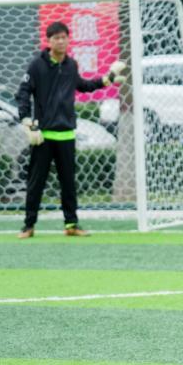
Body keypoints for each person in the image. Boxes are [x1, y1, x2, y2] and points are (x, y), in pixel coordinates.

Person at [16, 21, 126, 239]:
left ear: (68, 39)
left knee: (68, 184)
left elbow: (83, 86)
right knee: (36, 182)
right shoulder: (36, 65)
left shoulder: (71, 65)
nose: (60, 41)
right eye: (56, 38)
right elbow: (23, 92)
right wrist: (27, 120)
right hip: (43, 136)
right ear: (49, 41)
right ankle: (28, 226)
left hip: (67, 135)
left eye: (64, 37)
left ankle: (71, 224)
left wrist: (108, 79)